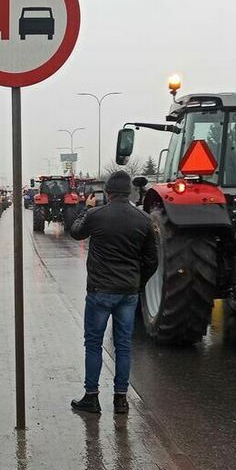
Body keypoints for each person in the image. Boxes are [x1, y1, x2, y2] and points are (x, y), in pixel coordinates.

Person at [67, 171, 158, 415]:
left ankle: (91, 397)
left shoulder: (96, 215)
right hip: (128, 293)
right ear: (129, 192)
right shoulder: (144, 219)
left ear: (108, 193)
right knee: (123, 346)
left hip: (100, 291)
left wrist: (85, 208)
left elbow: (75, 232)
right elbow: (152, 260)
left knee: (93, 344)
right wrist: (138, 283)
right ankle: (121, 400)